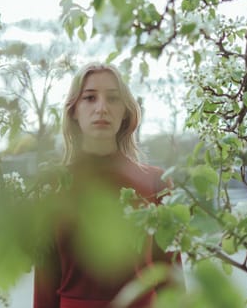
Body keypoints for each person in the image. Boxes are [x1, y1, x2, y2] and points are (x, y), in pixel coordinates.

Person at [33, 62, 175, 308]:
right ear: (74, 110)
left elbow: (171, 278)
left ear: (125, 112)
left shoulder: (157, 182)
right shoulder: (52, 185)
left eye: (113, 98)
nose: (102, 108)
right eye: (89, 98)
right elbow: (44, 285)